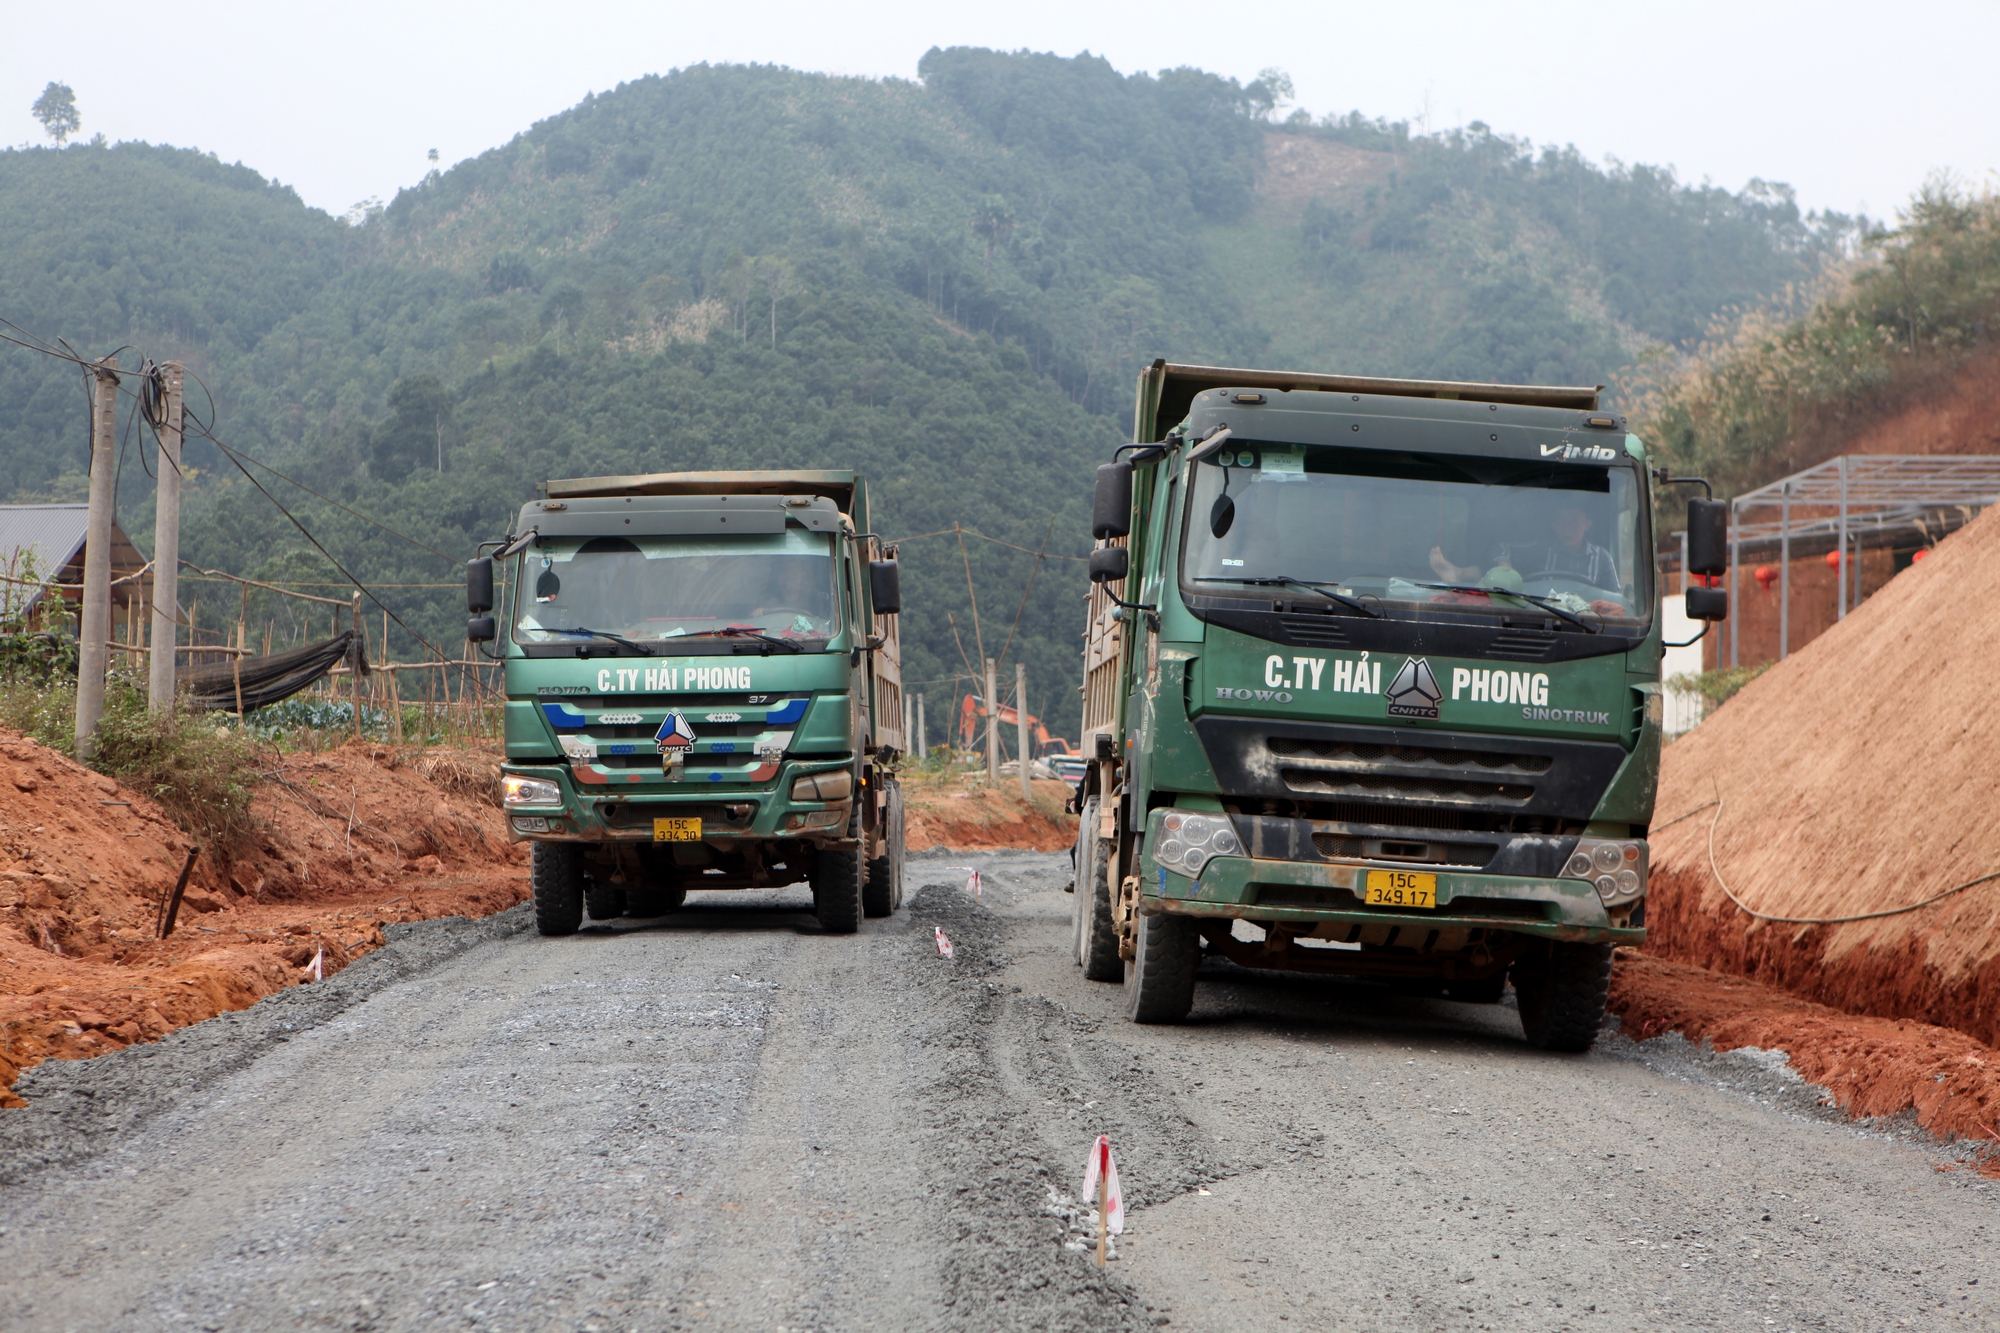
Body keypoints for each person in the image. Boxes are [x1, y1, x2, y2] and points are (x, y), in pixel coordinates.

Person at [1429, 502, 1620, 590]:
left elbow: (1614, 602)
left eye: (1574, 521)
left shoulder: (1602, 558)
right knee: (1501, 575)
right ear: (1553, 526)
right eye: (1561, 522)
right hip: (1541, 619)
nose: (1567, 528)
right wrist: (1504, 564)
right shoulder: (1540, 549)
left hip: (1584, 625)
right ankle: (1459, 574)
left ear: (1587, 525)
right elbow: (1501, 546)